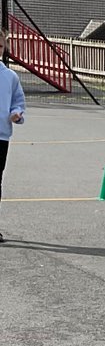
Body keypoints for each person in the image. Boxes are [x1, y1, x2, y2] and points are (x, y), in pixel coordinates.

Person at [0, 34, 27, 244]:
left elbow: (18, 102)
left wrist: (17, 113)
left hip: (1, 136)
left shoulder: (10, 77)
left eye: (0, 46)